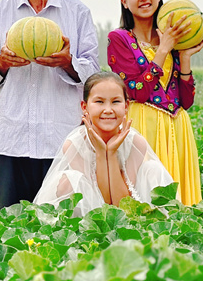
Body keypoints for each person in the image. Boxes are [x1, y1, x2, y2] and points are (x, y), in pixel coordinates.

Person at [0, 0, 100, 208]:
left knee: (63, 225)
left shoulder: (77, 11)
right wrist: (2, 63)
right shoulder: (0, 12)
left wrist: (67, 62)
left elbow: (94, 74)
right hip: (8, 140)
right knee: (5, 225)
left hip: (62, 138)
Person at [107, 0, 203, 205]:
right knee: (147, 199)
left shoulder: (175, 38)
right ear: (124, 1)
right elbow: (137, 92)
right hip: (142, 128)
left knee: (181, 206)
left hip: (178, 129)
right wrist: (163, 49)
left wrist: (185, 57)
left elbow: (187, 100)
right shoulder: (118, 39)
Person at [35, 72, 176, 216]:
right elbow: (98, 201)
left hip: (126, 213)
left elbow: (122, 203)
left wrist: (112, 153)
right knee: (68, 180)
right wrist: (102, 153)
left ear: (126, 106)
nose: (108, 110)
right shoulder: (75, 145)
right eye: (99, 102)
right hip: (90, 216)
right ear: (84, 107)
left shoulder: (135, 142)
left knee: (153, 169)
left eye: (116, 102)